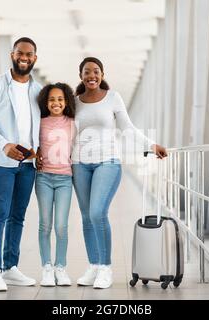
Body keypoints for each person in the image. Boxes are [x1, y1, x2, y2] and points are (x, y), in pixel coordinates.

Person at [71, 57, 167, 289]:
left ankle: (105, 268)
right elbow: (65, 132)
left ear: (102, 75)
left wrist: (151, 145)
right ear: (81, 76)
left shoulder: (113, 98)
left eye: (96, 71)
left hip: (108, 162)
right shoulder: (74, 102)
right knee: (86, 216)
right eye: (87, 72)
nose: (91, 75)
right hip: (79, 164)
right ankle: (93, 265)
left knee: (97, 213)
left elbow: (127, 128)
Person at [0, 37, 42, 292]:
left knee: (18, 216)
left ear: (35, 58)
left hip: (27, 164)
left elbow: (42, 123)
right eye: (19, 53)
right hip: (1, 161)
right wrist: (4, 144)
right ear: (12, 55)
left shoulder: (38, 90)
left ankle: (10, 267)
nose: (24, 57)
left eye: (29, 54)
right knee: (0, 213)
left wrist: (39, 150)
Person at [35, 83, 76, 287]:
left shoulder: (72, 123)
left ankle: (61, 267)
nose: (56, 103)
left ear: (66, 101)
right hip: (43, 178)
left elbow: (78, 147)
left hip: (64, 180)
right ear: (46, 102)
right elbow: (32, 144)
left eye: (60, 99)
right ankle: (47, 268)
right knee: (44, 225)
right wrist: (35, 157)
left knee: (61, 226)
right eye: (51, 99)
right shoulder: (39, 122)